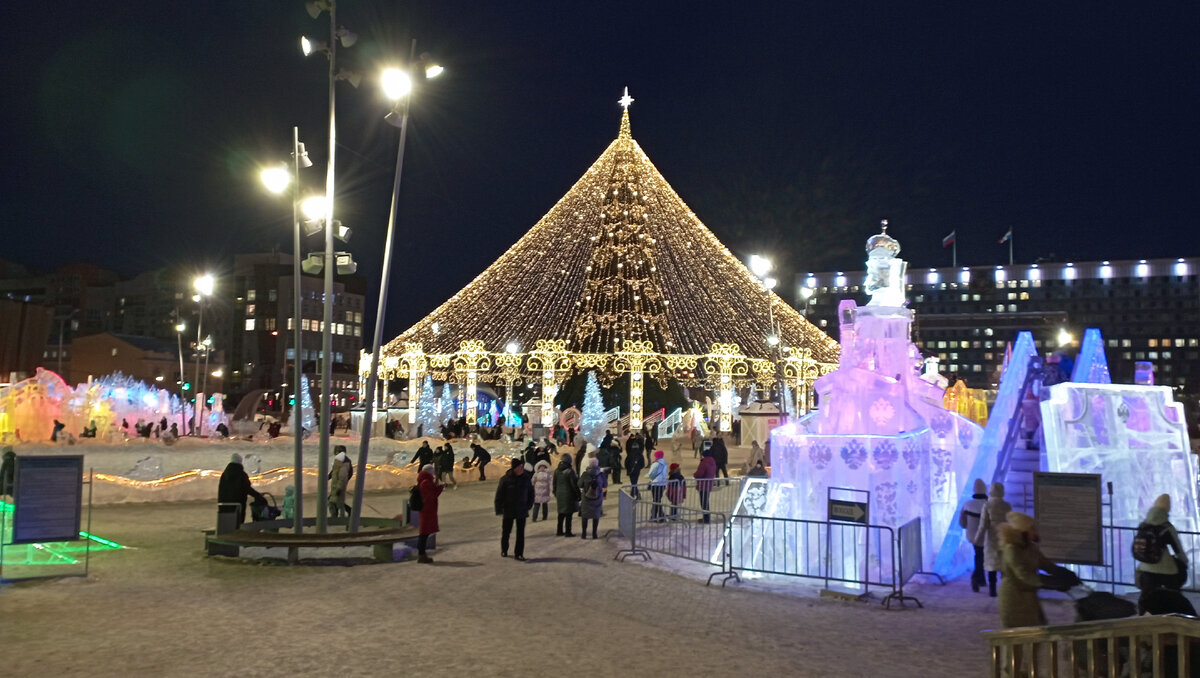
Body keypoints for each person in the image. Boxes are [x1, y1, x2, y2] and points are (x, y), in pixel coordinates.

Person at [998, 512, 1079, 628]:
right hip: (1013, 599)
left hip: (1029, 598)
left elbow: (1046, 564)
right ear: (1023, 531)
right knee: (1015, 638)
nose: (1035, 531)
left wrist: (1063, 573)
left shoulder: (1031, 548)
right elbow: (1023, 575)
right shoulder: (1011, 549)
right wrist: (1050, 582)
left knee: (1035, 633)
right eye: (1032, 528)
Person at [1135, 493, 1188, 595]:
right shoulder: (1167, 527)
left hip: (1145, 567)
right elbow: (1177, 548)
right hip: (1165, 569)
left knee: (1147, 597)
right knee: (1173, 595)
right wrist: (1184, 561)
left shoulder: (1143, 525)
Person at [973, 481, 1012, 597]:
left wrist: (977, 539)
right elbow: (1011, 522)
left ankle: (993, 589)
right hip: (1005, 536)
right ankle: (1006, 589)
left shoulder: (987, 505)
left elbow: (982, 525)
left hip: (991, 537)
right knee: (1004, 563)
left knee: (992, 565)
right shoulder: (1007, 505)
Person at [494, 458, 534, 560]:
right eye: (519, 467)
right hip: (509, 509)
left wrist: (529, 505)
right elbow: (499, 495)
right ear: (514, 468)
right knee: (506, 531)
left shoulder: (526, 478)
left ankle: (519, 553)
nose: (521, 468)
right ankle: (504, 550)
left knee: (520, 533)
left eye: (522, 467)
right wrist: (499, 509)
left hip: (521, 509)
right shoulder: (505, 479)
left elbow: (531, 493)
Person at [218, 453, 264, 527]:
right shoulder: (241, 474)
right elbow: (247, 488)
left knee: (228, 526)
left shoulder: (224, 475)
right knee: (238, 525)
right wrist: (258, 495)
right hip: (238, 506)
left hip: (223, 507)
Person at [960, 478, 989, 593]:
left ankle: (980, 579)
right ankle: (977, 578)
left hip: (971, 535)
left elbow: (962, 523)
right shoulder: (989, 505)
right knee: (982, 556)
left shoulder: (967, 504)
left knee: (979, 555)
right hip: (986, 536)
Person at [416, 464, 442, 564]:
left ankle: (422, 554)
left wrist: (437, 485)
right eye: (432, 470)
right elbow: (432, 495)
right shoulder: (426, 482)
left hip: (427, 510)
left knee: (425, 533)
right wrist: (439, 488)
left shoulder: (425, 480)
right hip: (427, 510)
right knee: (424, 533)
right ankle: (421, 555)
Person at [578, 457, 607, 539]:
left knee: (585, 516)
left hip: (586, 499)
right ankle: (594, 534)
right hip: (597, 499)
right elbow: (605, 485)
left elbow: (579, 484)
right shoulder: (601, 474)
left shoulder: (585, 474)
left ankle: (584, 534)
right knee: (596, 516)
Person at [554, 453, 581, 537]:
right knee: (569, 514)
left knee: (561, 513)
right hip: (569, 495)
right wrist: (578, 495)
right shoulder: (570, 471)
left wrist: (556, 493)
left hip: (559, 494)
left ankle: (559, 530)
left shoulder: (557, 471)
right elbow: (574, 485)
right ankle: (568, 532)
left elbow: (554, 484)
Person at [693, 446, 717, 523]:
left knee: (704, 503)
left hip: (703, 484)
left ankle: (706, 518)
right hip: (709, 484)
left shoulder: (704, 463)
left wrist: (695, 475)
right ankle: (706, 517)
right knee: (706, 502)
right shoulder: (713, 462)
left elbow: (700, 473)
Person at [328, 446, 353, 518]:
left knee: (333, 501)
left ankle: (337, 516)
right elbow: (335, 471)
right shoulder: (340, 460)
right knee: (335, 501)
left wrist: (339, 487)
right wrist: (329, 477)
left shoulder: (344, 462)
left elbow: (343, 476)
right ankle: (336, 515)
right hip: (337, 484)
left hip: (339, 485)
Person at [647, 450, 668, 522]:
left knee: (656, 500)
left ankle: (657, 516)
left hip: (655, 484)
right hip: (662, 484)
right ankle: (657, 516)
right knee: (657, 500)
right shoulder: (665, 463)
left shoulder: (655, 464)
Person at [625, 433, 646, 498]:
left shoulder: (630, 454)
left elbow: (626, 462)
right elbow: (642, 464)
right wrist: (639, 467)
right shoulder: (640, 454)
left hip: (631, 470)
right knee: (634, 482)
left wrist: (628, 468)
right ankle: (635, 494)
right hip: (637, 470)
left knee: (633, 483)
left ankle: (635, 494)